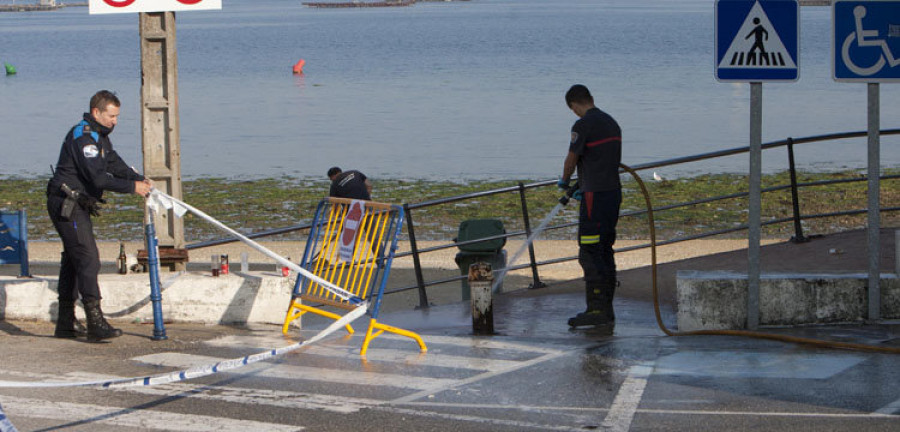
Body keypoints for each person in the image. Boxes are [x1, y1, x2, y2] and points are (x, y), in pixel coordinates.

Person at [47, 90, 153, 342]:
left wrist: (136, 177)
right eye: (111, 116)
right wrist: (132, 189)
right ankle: (95, 322)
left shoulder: (100, 137)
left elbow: (113, 164)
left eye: (117, 116)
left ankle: (65, 323)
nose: (115, 121)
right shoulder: (84, 138)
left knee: (74, 260)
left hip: (77, 203)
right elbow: (98, 177)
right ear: (97, 112)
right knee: (88, 259)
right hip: (66, 203)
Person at [558, 84, 622, 328]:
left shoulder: (582, 125)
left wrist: (564, 182)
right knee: (605, 249)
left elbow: (572, 158)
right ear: (591, 98)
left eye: (573, 109)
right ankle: (607, 308)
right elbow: (600, 160)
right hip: (612, 194)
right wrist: (580, 184)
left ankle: (596, 310)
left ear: (574, 105)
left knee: (589, 250)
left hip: (594, 198)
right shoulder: (611, 122)